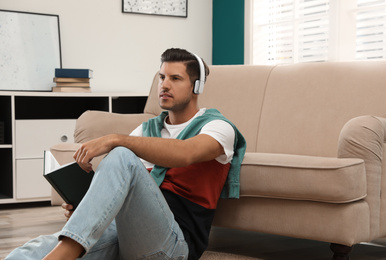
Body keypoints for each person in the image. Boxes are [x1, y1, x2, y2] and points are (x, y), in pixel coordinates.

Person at [5, 48, 246, 260]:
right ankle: (68, 245)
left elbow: (186, 153)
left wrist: (115, 139)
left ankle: (67, 250)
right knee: (32, 251)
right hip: (123, 238)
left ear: (196, 87)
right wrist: (85, 208)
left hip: (172, 247)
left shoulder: (218, 127)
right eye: (161, 77)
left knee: (122, 154)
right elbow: (121, 191)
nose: (164, 85)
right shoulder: (146, 130)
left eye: (175, 78)